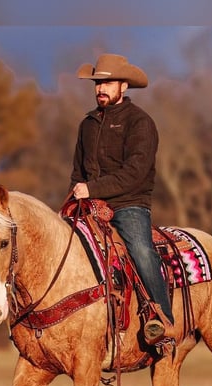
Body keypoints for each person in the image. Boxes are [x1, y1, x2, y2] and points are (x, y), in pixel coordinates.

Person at [69, 53, 174, 346]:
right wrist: (73, 199)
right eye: (97, 84)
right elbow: (77, 172)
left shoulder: (140, 122)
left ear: (123, 86)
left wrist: (93, 189)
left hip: (129, 204)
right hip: (89, 205)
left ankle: (162, 321)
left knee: (140, 250)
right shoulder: (87, 125)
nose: (100, 89)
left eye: (108, 83)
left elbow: (135, 173)